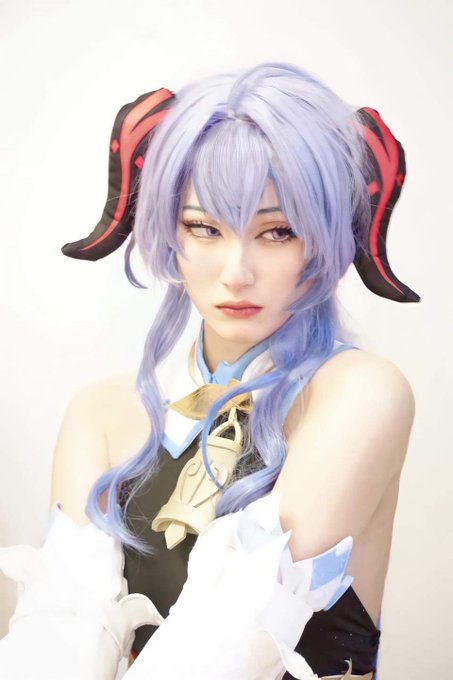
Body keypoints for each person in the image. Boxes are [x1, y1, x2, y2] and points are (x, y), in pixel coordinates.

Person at [0, 62, 418, 680]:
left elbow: (223, 648)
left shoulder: (360, 395)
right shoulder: (102, 413)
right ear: (169, 231)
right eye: (204, 227)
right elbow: (56, 645)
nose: (236, 272)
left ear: (329, 235)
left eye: (278, 232)